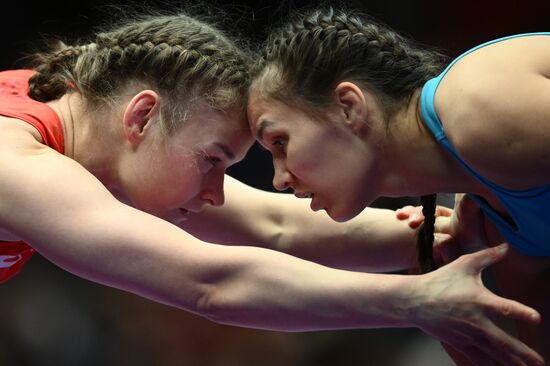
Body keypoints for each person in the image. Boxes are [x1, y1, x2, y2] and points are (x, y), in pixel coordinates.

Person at [0, 9, 542, 366]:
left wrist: (432, 237)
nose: (216, 193)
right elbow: (210, 281)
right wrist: (415, 300)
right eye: (213, 160)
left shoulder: (65, 121)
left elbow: (272, 226)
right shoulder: (14, 158)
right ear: (142, 117)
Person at [247, 6, 550, 365]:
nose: (278, 179)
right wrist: (442, 312)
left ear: (348, 107)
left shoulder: (480, 112)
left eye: (280, 142)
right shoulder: (483, 211)